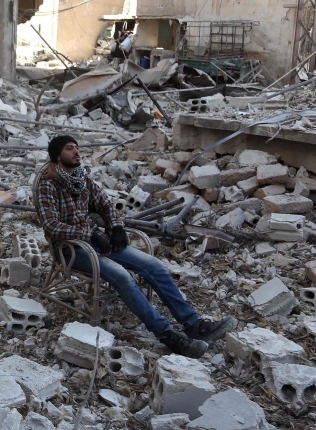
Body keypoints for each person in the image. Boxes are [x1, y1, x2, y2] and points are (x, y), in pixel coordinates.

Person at [37, 135, 237, 358]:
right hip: (71, 249)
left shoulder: (82, 179)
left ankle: (194, 325)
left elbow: (105, 204)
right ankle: (168, 336)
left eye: (76, 147)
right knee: (122, 276)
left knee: (154, 265)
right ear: (57, 156)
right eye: (69, 149)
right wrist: (90, 232)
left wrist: (116, 226)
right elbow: (51, 225)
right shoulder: (48, 185)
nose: (76, 152)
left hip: (96, 240)